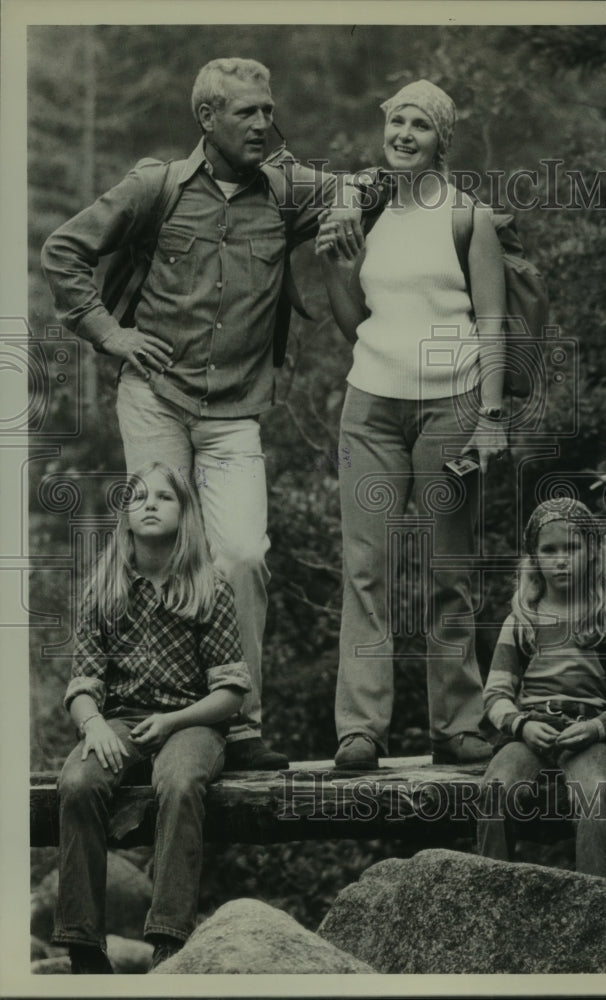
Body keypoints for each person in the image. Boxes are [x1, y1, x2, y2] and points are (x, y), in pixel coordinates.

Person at [41, 58, 365, 770]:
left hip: (234, 413)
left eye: (267, 110)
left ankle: (238, 723)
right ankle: (135, 718)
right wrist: (108, 332)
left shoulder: (285, 190)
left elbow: (366, 185)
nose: (263, 123)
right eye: (246, 112)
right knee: (156, 552)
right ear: (207, 119)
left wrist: (346, 201)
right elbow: (62, 251)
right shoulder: (154, 185)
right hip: (154, 399)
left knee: (242, 557)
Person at [315, 80, 509, 769]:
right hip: (370, 408)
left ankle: (456, 723)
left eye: (418, 125)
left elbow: (491, 321)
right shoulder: (364, 214)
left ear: (440, 141)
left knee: (446, 568)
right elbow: (355, 327)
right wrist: (337, 264)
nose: (402, 133)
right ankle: (361, 729)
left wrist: (489, 416)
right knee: (366, 569)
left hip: (452, 408)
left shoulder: (467, 218)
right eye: (395, 119)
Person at [50, 462, 252, 973]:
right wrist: (93, 724)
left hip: (193, 721)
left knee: (180, 781)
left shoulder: (210, 588)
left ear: (184, 514)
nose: (150, 503)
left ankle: (169, 936)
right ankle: (83, 944)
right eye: (138, 497)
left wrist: (175, 721)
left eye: (165, 496)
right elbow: (82, 687)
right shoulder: (104, 590)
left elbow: (230, 692)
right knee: (77, 781)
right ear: (125, 517)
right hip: (120, 721)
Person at [475, 497, 606, 880]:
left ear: (590, 553)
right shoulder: (521, 620)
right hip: (532, 732)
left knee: (596, 796)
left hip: (588, 734)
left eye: (571, 548)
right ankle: (489, 892)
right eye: (548, 549)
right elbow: (496, 695)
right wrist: (521, 727)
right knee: (495, 790)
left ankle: (601, 903)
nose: (560, 559)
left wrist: (597, 728)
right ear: (534, 558)